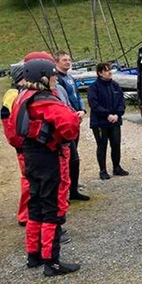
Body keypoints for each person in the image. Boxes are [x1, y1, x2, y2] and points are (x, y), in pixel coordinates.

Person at [8, 57, 81, 276]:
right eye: (52, 76)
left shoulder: (22, 96)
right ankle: (52, 262)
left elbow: (13, 131)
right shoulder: (44, 99)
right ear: (42, 77)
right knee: (53, 207)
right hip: (48, 157)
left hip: (30, 155)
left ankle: (34, 255)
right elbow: (69, 124)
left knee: (36, 204)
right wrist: (72, 123)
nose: (54, 79)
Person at [54, 51, 90, 201]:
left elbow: (77, 96)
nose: (68, 62)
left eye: (69, 60)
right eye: (64, 60)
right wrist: (72, 115)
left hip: (76, 119)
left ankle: (73, 188)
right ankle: (66, 190)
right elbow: (63, 102)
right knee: (70, 158)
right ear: (56, 62)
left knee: (74, 157)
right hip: (68, 120)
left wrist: (82, 110)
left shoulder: (70, 77)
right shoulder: (56, 80)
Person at [88, 62, 128, 180]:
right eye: (106, 70)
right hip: (100, 122)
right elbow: (94, 104)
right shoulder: (94, 87)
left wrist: (117, 114)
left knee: (116, 144)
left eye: (110, 69)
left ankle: (117, 167)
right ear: (100, 73)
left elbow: (121, 101)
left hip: (115, 121)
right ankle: (103, 170)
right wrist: (107, 114)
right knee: (102, 146)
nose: (109, 72)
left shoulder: (115, 85)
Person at [0, 62, 28, 226]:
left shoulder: (19, 92)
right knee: (28, 180)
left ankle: (27, 213)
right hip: (23, 146)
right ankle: (25, 215)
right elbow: (9, 124)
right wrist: (20, 144)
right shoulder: (12, 95)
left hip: (24, 145)